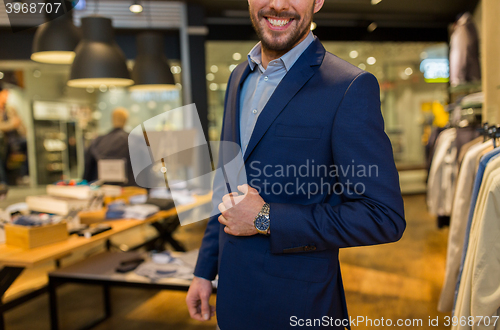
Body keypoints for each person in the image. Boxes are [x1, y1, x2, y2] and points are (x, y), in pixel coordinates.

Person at [186, 0, 406, 329]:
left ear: (318, 1)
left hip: (299, 307)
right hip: (231, 301)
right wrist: (204, 271)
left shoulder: (348, 86)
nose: (277, 4)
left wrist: (265, 218)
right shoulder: (238, 77)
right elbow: (228, 185)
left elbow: (383, 217)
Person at [83, 107, 136, 186]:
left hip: (102, 190)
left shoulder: (97, 142)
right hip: (131, 192)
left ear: (112, 119)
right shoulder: (136, 141)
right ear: (126, 120)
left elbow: (88, 171)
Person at [0, 85, 26, 188]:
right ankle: (3, 184)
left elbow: (20, 124)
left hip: (12, 142)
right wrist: (12, 124)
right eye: (5, 94)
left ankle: (23, 177)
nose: (7, 97)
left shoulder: (10, 109)